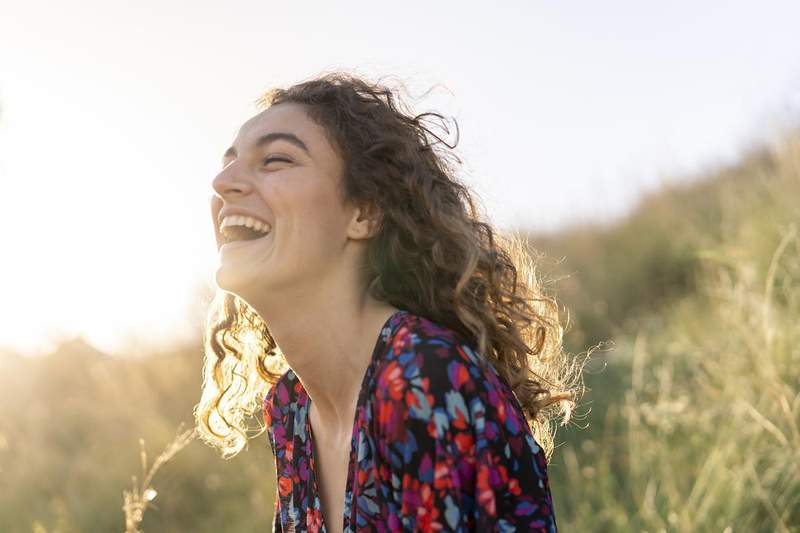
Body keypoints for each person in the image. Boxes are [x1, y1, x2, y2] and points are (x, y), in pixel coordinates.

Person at [195, 72, 584, 532]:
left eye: (276, 160)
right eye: (230, 163)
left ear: (364, 212)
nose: (223, 182)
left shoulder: (423, 377)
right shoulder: (291, 407)